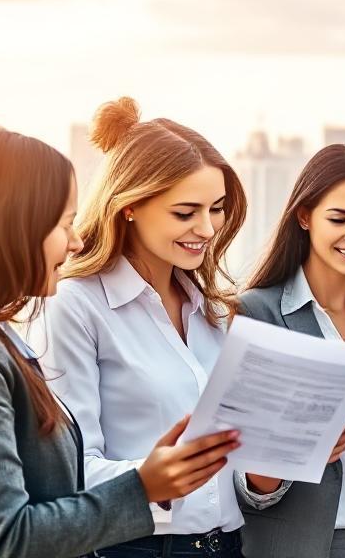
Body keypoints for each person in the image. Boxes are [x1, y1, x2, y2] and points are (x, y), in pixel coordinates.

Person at [0, 124, 240, 558]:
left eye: (216, 208)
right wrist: (145, 484)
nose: (75, 241)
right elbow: (13, 530)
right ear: (13, 226)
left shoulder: (211, 305)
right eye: (63, 223)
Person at [43, 97, 249, 557]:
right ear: (130, 205)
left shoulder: (215, 309)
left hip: (230, 544)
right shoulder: (76, 305)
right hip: (135, 547)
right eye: (185, 212)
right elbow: (67, 472)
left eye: (216, 208)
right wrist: (153, 477)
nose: (208, 228)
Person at [232, 144, 345, 558]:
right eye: (339, 219)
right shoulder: (255, 314)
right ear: (304, 216)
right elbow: (241, 474)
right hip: (288, 545)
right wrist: (297, 450)